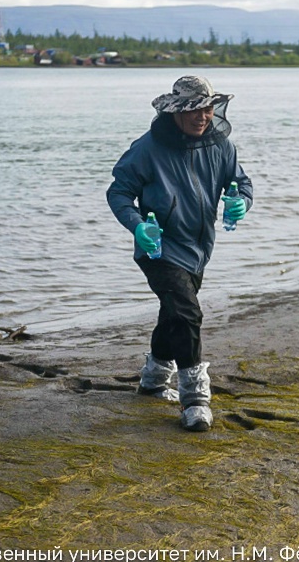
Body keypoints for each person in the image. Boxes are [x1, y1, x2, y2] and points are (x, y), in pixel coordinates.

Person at [107, 76, 253, 432]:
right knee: (188, 314)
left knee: (174, 315)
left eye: (208, 108)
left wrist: (241, 202)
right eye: (194, 110)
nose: (202, 116)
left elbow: (241, 183)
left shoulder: (222, 147)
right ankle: (195, 400)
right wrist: (137, 226)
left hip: (198, 249)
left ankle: (153, 381)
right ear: (175, 111)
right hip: (158, 248)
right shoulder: (147, 148)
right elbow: (119, 192)